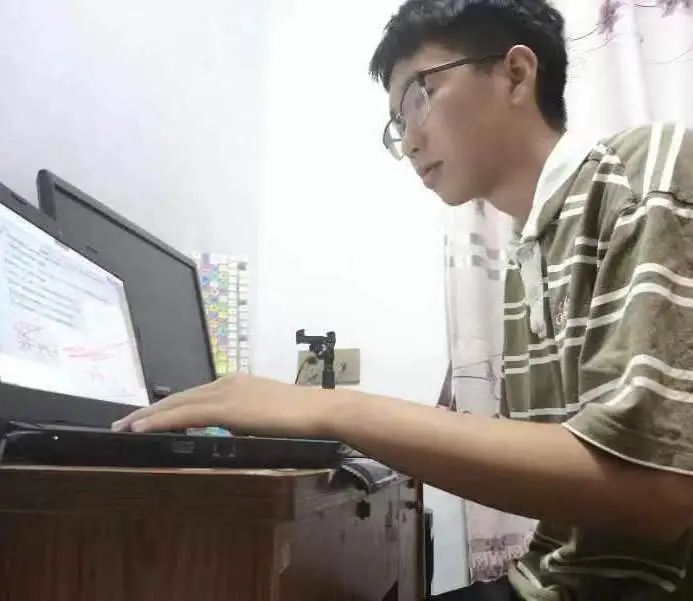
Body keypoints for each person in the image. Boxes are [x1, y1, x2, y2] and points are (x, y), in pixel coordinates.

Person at [113, 1, 693, 599]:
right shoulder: (529, 256)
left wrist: (325, 409)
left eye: (421, 95)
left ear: (516, 74)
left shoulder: (644, 174)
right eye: (397, 122)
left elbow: (652, 491)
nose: (410, 140)